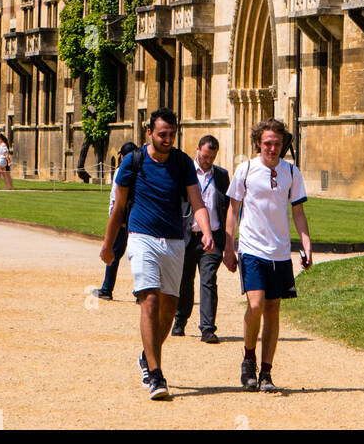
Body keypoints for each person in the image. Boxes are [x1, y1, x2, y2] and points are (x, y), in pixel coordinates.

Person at [99, 109, 213, 401]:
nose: (167, 139)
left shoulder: (182, 162)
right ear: (149, 132)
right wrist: (108, 245)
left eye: (172, 135)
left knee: (168, 308)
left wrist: (208, 230)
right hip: (141, 237)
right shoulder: (132, 162)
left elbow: (196, 201)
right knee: (148, 299)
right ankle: (156, 373)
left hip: (174, 241)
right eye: (162, 134)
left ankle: (145, 356)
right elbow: (119, 208)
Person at [223, 118, 312, 392]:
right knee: (256, 305)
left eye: (277, 143)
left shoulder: (292, 172)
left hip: (280, 252)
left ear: (283, 144)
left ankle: (266, 372)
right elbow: (232, 210)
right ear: (258, 143)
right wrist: (229, 247)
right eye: (267, 143)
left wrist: (306, 245)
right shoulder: (245, 169)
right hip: (251, 249)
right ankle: (249, 359)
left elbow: (297, 212)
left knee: (273, 310)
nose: (272, 148)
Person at [172, 135, 229, 342]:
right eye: (205, 156)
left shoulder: (221, 176)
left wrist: (227, 242)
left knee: (208, 281)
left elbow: (227, 209)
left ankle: (207, 328)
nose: (208, 161)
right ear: (198, 150)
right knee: (185, 281)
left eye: (212, 158)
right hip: (188, 236)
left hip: (212, 238)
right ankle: (180, 320)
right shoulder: (185, 173)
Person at [93, 141, 140, 299]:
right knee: (139, 256)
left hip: (122, 219)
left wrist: (112, 216)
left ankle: (107, 289)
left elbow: (115, 195)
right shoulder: (142, 169)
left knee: (113, 253)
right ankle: (141, 293)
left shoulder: (122, 169)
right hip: (137, 218)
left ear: (121, 156)